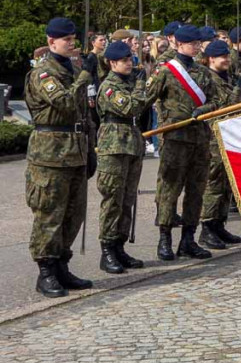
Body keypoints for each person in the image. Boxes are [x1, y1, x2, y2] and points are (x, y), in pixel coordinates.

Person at [25, 18, 95, 298]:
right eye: (65, 39)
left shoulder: (73, 68)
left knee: (73, 214)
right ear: (51, 41)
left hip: (75, 150)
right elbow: (65, 104)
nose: (71, 42)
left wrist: (90, 150)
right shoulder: (43, 73)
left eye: (73, 38)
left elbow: (83, 114)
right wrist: (84, 78)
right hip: (50, 153)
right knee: (49, 214)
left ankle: (62, 265)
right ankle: (46, 271)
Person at [143, 24, 218, 261]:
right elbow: (146, 98)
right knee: (169, 190)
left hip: (199, 139)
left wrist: (204, 109)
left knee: (196, 191)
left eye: (198, 43)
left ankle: (188, 239)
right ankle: (164, 239)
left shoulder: (204, 73)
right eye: (192, 43)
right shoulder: (165, 71)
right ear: (180, 44)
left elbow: (217, 100)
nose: (196, 47)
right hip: (175, 139)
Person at [95, 40, 148, 274]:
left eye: (130, 59)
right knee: (113, 199)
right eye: (125, 60)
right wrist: (139, 85)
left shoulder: (129, 83)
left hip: (132, 143)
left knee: (127, 200)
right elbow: (131, 108)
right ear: (112, 63)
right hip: (114, 145)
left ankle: (120, 246)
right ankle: (107, 249)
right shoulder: (110, 87)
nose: (129, 63)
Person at [197, 40, 241, 250]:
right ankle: (207, 228)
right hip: (213, 136)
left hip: (229, 134)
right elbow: (220, 105)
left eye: (227, 56)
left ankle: (219, 224)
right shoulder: (207, 78)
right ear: (211, 59)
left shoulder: (227, 77)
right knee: (213, 183)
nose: (226, 60)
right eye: (221, 57)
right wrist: (236, 91)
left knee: (226, 182)